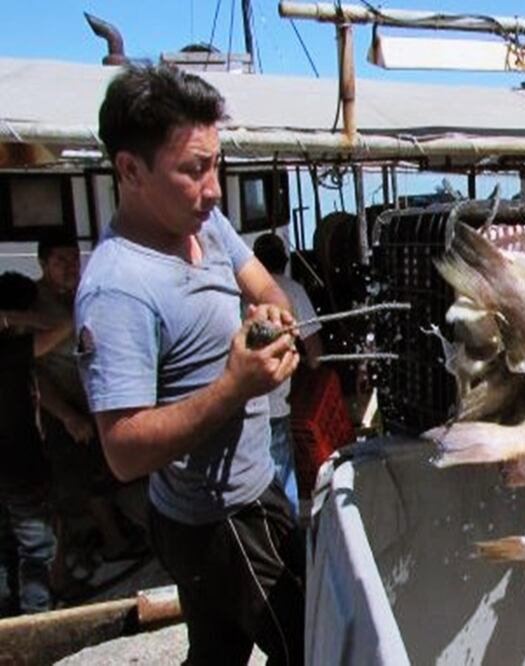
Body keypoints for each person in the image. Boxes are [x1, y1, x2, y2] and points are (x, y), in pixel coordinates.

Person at [75, 64, 303, 664]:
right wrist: (235, 386)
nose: (215, 188)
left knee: (215, 655)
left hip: (247, 491)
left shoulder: (206, 221)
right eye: (193, 170)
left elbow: (266, 290)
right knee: (318, 644)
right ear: (130, 170)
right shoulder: (118, 287)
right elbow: (122, 450)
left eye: (216, 165)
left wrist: (271, 323)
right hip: (220, 518)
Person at [33, 235, 146, 587]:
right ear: (43, 264)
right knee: (79, 486)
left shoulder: (81, 294)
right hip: (62, 413)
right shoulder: (36, 304)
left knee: (105, 474)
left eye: (73, 260)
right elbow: (33, 371)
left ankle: (116, 538)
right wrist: (67, 416)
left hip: (94, 404)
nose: (70, 268)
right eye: (60, 261)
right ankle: (72, 566)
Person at [0, 271, 71, 615]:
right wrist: (13, 318)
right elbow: (64, 324)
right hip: (19, 466)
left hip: (14, 466)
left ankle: (8, 621)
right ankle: (34, 621)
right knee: (36, 550)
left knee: (6, 549)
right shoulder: (11, 351)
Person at [252, 233, 324, 517]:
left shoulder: (240, 293)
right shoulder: (291, 291)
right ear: (285, 261)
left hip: (240, 406)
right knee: (284, 481)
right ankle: (288, 546)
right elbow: (316, 356)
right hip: (275, 407)